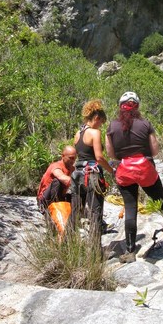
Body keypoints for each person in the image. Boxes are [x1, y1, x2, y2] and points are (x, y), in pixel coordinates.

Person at [107, 91, 163, 263]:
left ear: (120, 107)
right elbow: (155, 151)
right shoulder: (145, 123)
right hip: (145, 168)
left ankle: (129, 251)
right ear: (137, 107)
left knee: (131, 208)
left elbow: (111, 154)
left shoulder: (112, 126)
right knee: (162, 203)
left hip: (124, 170)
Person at [71, 99, 114, 243]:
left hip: (78, 175)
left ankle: (67, 243)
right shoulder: (95, 133)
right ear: (96, 118)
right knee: (96, 212)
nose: (101, 125)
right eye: (101, 122)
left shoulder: (78, 134)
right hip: (91, 175)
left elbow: (78, 154)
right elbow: (99, 158)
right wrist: (112, 170)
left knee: (75, 211)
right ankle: (96, 251)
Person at [37, 145, 77, 214]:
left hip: (60, 197)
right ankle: (51, 209)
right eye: (71, 158)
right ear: (63, 156)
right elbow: (62, 178)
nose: (73, 161)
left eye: (74, 158)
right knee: (58, 181)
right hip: (45, 199)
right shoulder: (56, 166)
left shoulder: (72, 169)